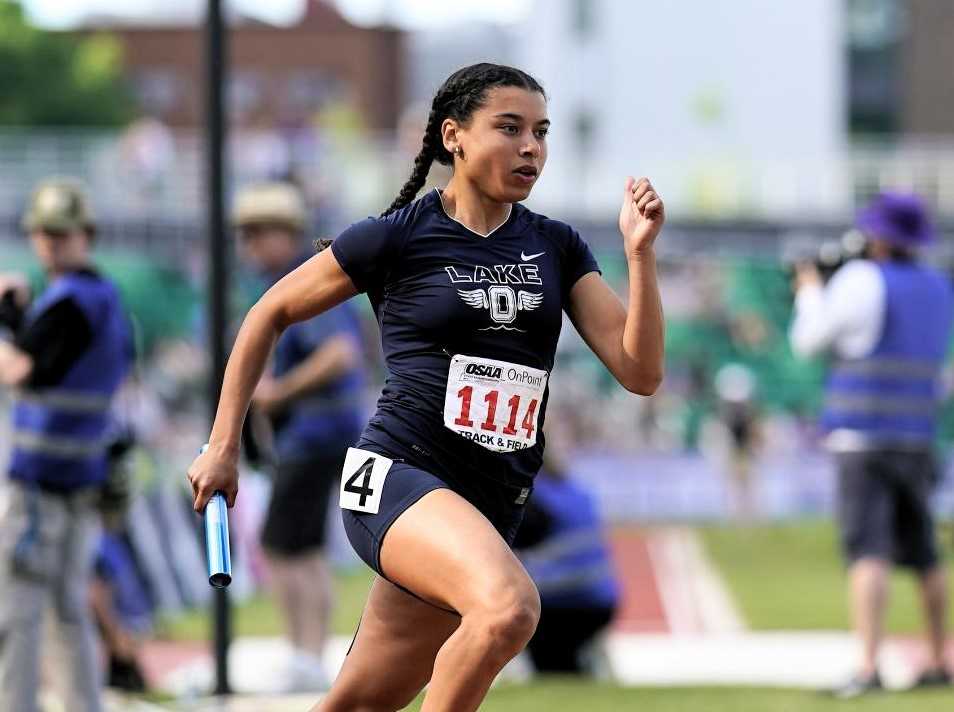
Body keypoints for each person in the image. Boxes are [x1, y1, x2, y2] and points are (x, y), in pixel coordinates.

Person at [187, 62, 665, 712]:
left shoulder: (557, 247)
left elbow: (640, 372)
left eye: (541, 132)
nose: (531, 147)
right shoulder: (398, 237)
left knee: (358, 703)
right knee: (509, 610)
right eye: (509, 128)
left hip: (489, 501)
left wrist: (640, 256)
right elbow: (266, 313)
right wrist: (222, 446)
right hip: (396, 475)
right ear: (454, 136)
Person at [789, 192, 953, 697]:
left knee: (870, 551)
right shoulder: (938, 285)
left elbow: (809, 341)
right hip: (918, 435)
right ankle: (938, 659)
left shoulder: (862, 280)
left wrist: (811, 290)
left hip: (863, 437)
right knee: (925, 554)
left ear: (879, 236)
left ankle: (868, 664)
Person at [0, 178, 133, 712]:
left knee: (18, 616)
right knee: (68, 615)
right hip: (81, 482)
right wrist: (19, 319)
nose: (52, 242)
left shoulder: (71, 301)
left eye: (61, 233)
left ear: (86, 234)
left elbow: (24, 369)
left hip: (40, 489)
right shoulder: (104, 297)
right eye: (45, 233)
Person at [232, 181, 367, 691]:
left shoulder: (306, 282)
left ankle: (303, 654)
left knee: (282, 546)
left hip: (314, 435)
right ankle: (308, 654)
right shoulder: (310, 277)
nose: (247, 246)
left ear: (284, 234)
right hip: (322, 433)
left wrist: (279, 391)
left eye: (255, 234)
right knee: (302, 548)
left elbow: (340, 354)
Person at [512, 457, 620, 674]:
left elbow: (518, 537)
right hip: (601, 599)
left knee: (549, 665)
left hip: (555, 600)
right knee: (567, 662)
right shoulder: (579, 491)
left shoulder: (530, 495)